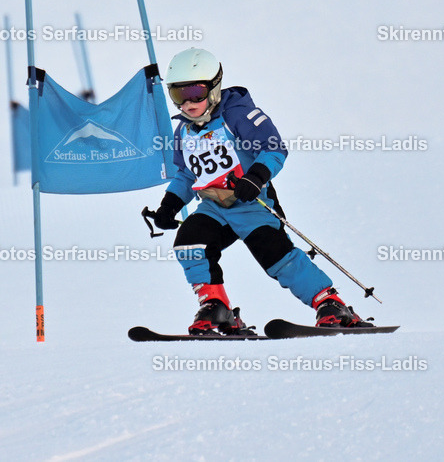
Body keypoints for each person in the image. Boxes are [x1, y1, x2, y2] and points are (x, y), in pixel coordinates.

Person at [149, 47, 372, 335]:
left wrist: (255, 177)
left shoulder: (238, 115)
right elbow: (187, 173)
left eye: (196, 92)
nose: (188, 102)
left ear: (214, 88)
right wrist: (169, 205)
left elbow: (273, 148)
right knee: (190, 244)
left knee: (276, 257)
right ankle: (216, 307)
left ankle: (329, 303)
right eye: (179, 94)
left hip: (252, 204)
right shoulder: (184, 131)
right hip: (214, 207)